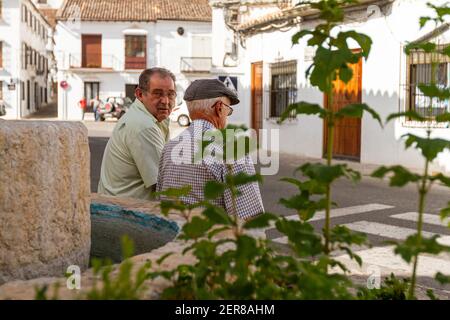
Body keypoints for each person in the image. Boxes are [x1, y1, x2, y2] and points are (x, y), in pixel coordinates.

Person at [156, 79, 264, 220]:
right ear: (219, 108)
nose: (227, 117)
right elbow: (249, 217)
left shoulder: (169, 147)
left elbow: (160, 201)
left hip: (175, 238)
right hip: (213, 239)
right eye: (228, 110)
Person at [98, 67, 176, 200]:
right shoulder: (144, 126)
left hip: (116, 205)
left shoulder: (146, 117)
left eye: (170, 94)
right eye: (158, 94)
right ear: (140, 94)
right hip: (125, 212)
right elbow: (166, 185)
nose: (166, 101)